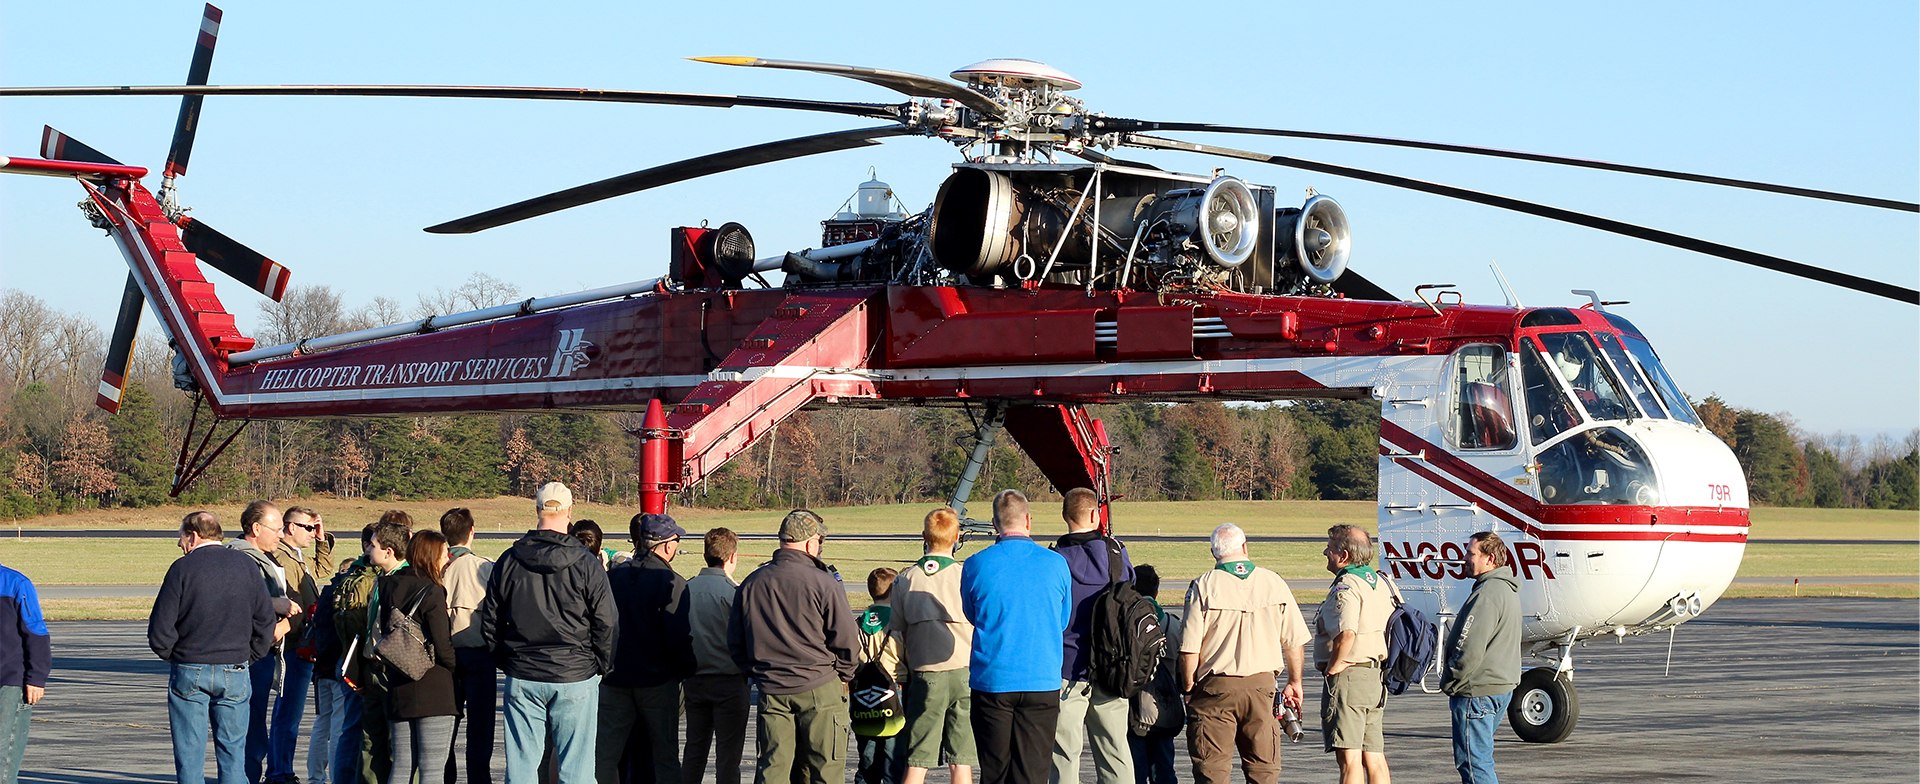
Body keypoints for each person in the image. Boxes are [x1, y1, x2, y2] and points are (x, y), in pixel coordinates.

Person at [480, 482, 618, 784]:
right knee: (577, 772)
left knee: (521, 771)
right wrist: (601, 665)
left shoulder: (509, 560)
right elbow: (607, 621)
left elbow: (490, 621)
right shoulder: (586, 563)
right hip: (575, 673)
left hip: (524, 671)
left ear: (537, 510)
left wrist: (507, 660)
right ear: (569, 512)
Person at [727, 510, 859, 784]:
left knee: (773, 770)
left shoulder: (752, 582)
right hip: (820, 686)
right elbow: (846, 639)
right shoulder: (823, 582)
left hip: (771, 689)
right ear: (811, 543)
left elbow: (735, 642)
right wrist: (844, 675)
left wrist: (757, 673)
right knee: (826, 770)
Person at [151, 511, 276, 784]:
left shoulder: (182, 568)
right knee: (233, 756)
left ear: (193, 535)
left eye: (181, 536)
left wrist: (178, 656)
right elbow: (265, 621)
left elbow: (160, 629)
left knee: (189, 756)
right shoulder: (246, 566)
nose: (179, 543)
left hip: (189, 667)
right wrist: (250, 656)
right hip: (235, 668)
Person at [1179, 524, 1309, 784]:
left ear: (1214, 553)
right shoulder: (1274, 582)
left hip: (1215, 689)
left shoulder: (1203, 585)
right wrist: (1295, 681)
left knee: (1212, 770)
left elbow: (1189, 648)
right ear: (1245, 547)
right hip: (1262, 688)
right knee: (1264, 771)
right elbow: (1294, 641)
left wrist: (1189, 688)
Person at [959, 490, 1072, 784]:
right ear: (1029, 520)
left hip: (992, 679)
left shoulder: (974, 564)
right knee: (1033, 774)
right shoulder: (1056, 563)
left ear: (994, 525)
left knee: (994, 771)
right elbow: (1061, 620)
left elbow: (972, 615)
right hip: (1041, 678)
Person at [599, 513, 695, 784]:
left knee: (606, 756)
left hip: (615, 678)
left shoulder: (613, 576)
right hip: (657, 681)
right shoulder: (673, 582)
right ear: (667, 545)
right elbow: (678, 635)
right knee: (664, 756)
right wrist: (687, 668)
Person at [1049, 487, 1134, 784]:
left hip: (1067, 667)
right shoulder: (1117, 554)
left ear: (1064, 516)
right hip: (1112, 666)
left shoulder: (1054, 560)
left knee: (1063, 756)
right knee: (1115, 752)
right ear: (1096, 515)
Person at [889, 508, 975, 784]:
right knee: (961, 761)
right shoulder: (966, 576)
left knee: (917, 759)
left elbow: (898, 626)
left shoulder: (905, 578)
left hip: (925, 673)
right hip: (964, 671)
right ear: (957, 537)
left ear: (924, 536)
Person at [375, 527, 459, 784]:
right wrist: (456, 668)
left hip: (400, 682)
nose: (448, 558)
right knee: (432, 770)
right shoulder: (432, 591)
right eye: (445, 553)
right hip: (433, 687)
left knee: (401, 765)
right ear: (432, 555)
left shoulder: (389, 585)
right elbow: (442, 644)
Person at [227, 500, 301, 784]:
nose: (281, 535)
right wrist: (276, 610)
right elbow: (236, 601)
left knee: (255, 726)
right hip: (250, 656)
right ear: (256, 528)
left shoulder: (265, 557)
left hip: (263, 652)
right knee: (250, 727)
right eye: (277, 529)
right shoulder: (239, 558)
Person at [1315, 524, 1395, 784]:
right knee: (1374, 757)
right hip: (1375, 676)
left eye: (1330, 549)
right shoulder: (1382, 581)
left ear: (1344, 556)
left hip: (1351, 677)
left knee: (1349, 759)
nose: (1326, 553)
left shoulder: (1347, 584)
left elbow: (1346, 632)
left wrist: (1334, 667)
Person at [1441, 532, 1521, 784]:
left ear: (1491, 559)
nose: (1465, 558)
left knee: (1474, 764)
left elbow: (1469, 646)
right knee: (1479, 760)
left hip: (1477, 691)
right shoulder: (1506, 590)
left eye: (1471, 553)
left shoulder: (1486, 594)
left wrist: (1452, 678)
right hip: (1499, 687)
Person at [270, 506, 331, 784]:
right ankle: (279, 771)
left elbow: (324, 570)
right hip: (294, 644)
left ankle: (279, 769)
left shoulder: (296, 555)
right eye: (308, 528)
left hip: (303, 643)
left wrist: (321, 541)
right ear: (290, 527)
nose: (312, 533)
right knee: (288, 714)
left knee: (290, 713)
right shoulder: (282, 557)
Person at [682, 528, 748, 784]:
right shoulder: (733, 593)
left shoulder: (687, 589)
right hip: (729, 682)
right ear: (732, 557)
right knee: (728, 757)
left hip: (695, 680)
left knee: (694, 751)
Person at [442, 507, 498, 784]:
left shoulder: (438, 567)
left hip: (445, 656)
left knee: (445, 729)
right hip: (479, 653)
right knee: (480, 728)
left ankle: (446, 777)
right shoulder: (485, 567)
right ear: (471, 532)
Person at [330, 524, 388, 784]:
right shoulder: (375, 579)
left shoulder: (350, 575)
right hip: (365, 664)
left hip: (347, 658)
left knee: (351, 729)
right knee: (360, 731)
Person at [853, 568, 907, 784]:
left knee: (867, 756)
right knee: (893, 758)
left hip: (863, 693)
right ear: (894, 591)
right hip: (894, 690)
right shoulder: (897, 622)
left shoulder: (858, 623)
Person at [1125, 565, 1177, 784]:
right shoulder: (1172, 623)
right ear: (1156, 591)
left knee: (1135, 769)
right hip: (1164, 704)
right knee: (1164, 768)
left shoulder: (1126, 621)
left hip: (1133, 706)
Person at [0, 550, 48, 783]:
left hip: (8, 682)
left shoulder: (16, 584)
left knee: (3, 764)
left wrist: (36, 677)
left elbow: (36, 633)